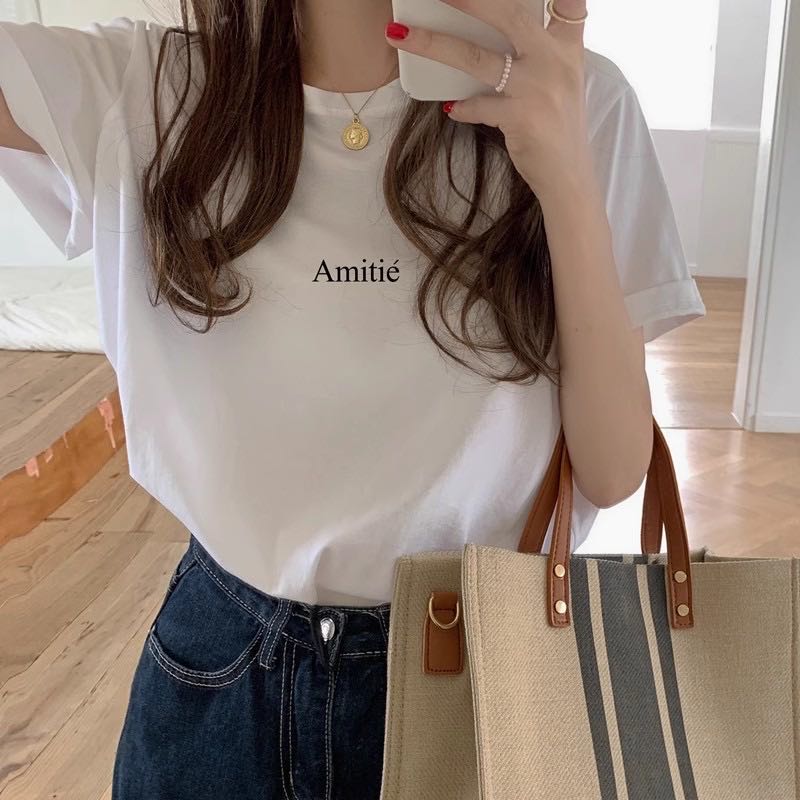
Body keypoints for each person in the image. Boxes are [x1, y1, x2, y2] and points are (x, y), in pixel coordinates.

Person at [0, 0, 705, 797]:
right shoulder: (150, 90)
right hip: (222, 669)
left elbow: (612, 470)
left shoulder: (577, 99)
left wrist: (566, 175)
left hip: (485, 671)